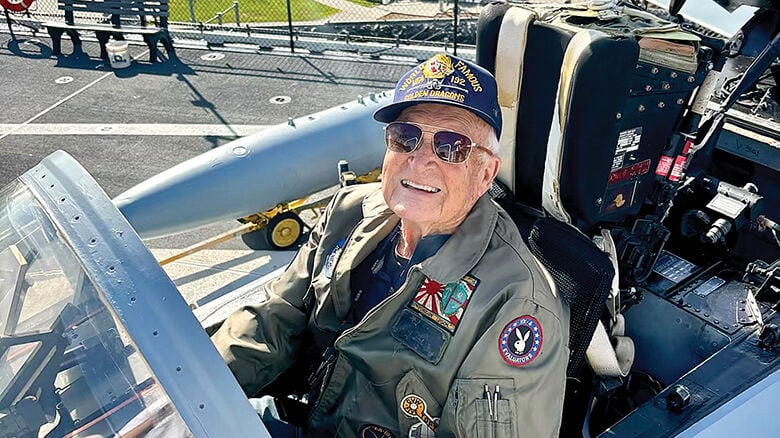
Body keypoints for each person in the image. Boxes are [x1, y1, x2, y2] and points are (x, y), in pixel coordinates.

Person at [211, 53, 569, 437]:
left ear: (485, 174)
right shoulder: (348, 213)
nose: (419, 162)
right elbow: (275, 315)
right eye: (405, 138)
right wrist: (200, 389)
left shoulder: (515, 307)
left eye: (451, 148)